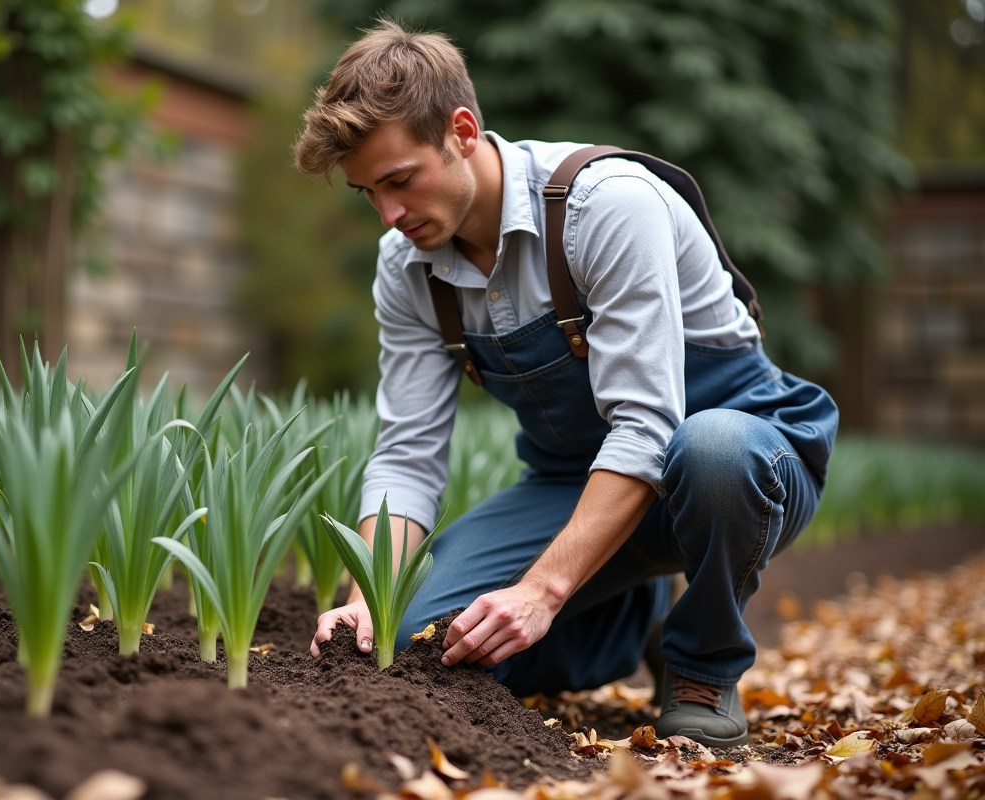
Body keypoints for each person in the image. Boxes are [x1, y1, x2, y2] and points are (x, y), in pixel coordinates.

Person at [294, 20, 838, 748]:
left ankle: (703, 665)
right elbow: (407, 454)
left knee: (709, 449)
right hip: (576, 488)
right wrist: (368, 599)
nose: (388, 215)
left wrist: (542, 590)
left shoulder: (605, 205)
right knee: (418, 647)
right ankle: (625, 618)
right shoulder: (407, 268)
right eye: (367, 193)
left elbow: (648, 426)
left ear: (462, 130)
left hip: (737, 465)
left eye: (399, 181)